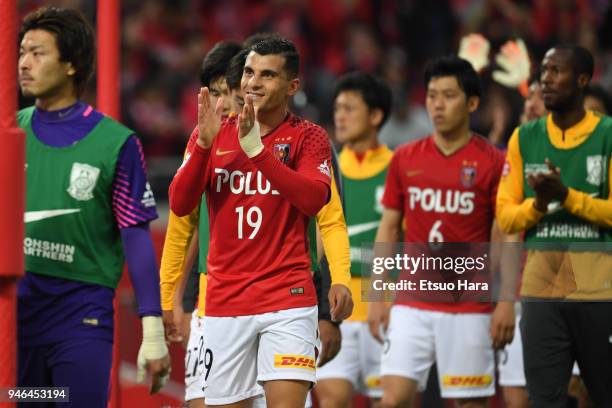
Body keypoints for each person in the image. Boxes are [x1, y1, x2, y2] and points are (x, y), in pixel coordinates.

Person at [169, 37, 353, 407]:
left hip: (288, 298)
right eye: (250, 73)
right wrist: (203, 147)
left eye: (268, 75)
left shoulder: (309, 137)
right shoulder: (211, 133)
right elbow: (179, 204)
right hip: (225, 302)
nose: (253, 83)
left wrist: (257, 150)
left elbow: (315, 199)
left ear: (292, 86)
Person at [17, 6, 170, 406]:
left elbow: (136, 237)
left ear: (70, 64)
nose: (24, 62)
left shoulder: (115, 143)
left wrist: (151, 330)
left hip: (81, 318)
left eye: (37, 52)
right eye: (22, 52)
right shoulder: (10, 131)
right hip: (17, 317)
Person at [368, 55, 515, 408]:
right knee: (392, 400)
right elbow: (388, 229)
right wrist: (376, 295)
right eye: (432, 95)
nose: (437, 104)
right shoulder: (404, 157)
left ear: (472, 103)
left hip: (468, 304)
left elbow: (507, 234)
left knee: (470, 404)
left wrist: (507, 300)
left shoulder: (493, 162)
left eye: (448, 95)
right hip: (411, 301)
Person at [496, 44, 612, 407]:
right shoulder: (524, 138)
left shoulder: (607, 133)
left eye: (555, 71)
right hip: (541, 293)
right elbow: (506, 216)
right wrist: (541, 204)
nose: (545, 79)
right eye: (543, 71)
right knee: (545, 401)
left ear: (582, 80)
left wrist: (567, 196)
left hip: (598, 291)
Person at [316, 72, 392, 408]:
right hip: (337, 309)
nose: (340, 116)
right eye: (337, 108)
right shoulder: (323, 169)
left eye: (350, 108)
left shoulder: (400, 167)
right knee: (333, 400)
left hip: (387, 307)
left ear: (375, 116)